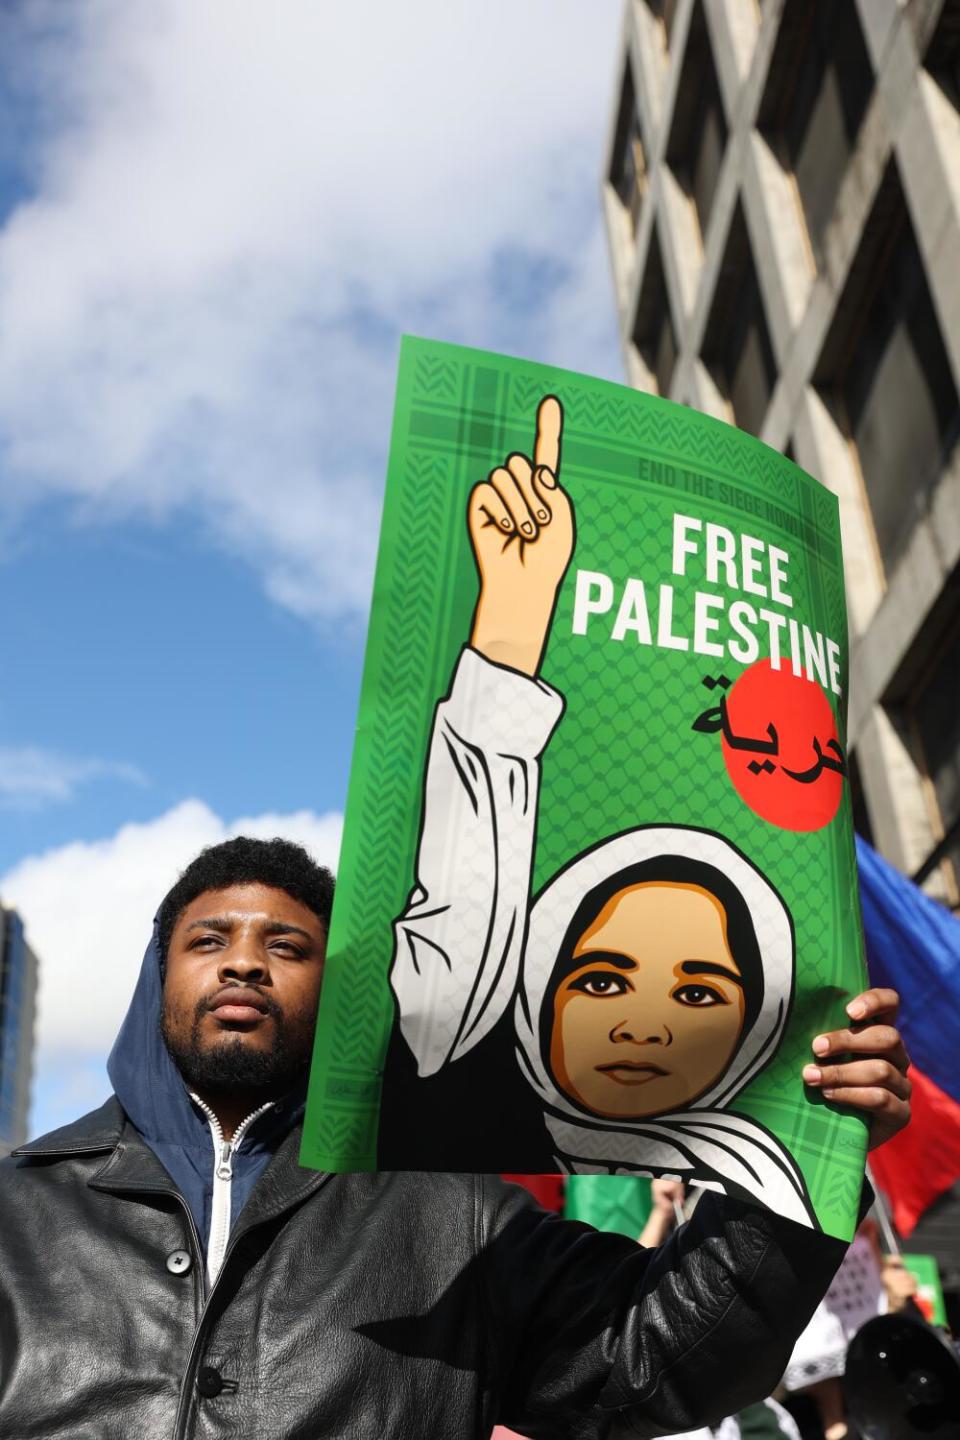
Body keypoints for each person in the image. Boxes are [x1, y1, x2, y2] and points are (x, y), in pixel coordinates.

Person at [0, 833, 911, 1437]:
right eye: (209, 941)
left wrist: (814, 1141)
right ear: (158, 976)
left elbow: (658, 1356)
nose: (244, 959)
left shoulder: (449, 1209)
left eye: (286, 945)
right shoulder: (19, 1211)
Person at [389, 397, 834, 1221]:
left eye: (700, 993)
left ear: (759, 1022)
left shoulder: (777, 1190)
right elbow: (469, 905)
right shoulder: (459, 1118)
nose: (645, 1027)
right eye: (599, 979)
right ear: (536, 991)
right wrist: (515, 618)